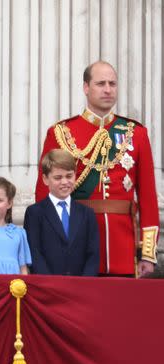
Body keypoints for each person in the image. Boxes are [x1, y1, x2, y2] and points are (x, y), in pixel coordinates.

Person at [34, 61, 159, 277]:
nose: (108, 89)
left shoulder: (136, 133)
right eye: (101, 83)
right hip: (75, 243)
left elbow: (148, 197)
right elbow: (44, 196)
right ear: (86, 87)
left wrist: (147, 253)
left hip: (124, 246)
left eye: (112, 83)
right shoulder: (61, 133)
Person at [25, 149, 100, 276]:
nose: (65, 182)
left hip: (81, 287)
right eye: (58, 177)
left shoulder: (87, 214)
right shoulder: (35, 213)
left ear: (75, 175)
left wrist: (85, 284)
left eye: (69, 176)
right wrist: (51, 285)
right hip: (48, 287)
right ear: (45, 179)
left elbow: (93, 254)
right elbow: (35, 253)